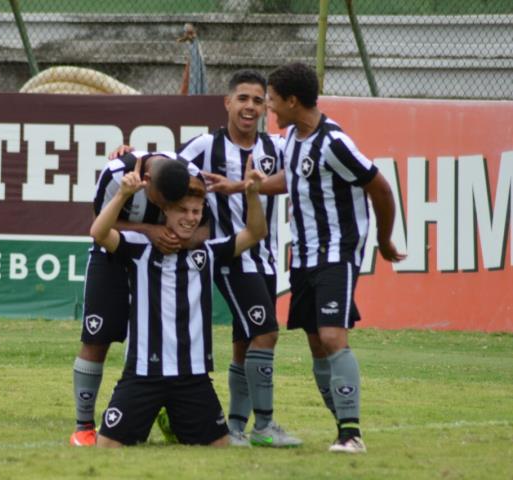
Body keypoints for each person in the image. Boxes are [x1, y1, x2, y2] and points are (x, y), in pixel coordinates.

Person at [263, 62, 406, 453]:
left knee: (331, 336)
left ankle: (351, 434)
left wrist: (384, 239)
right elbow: (292, 179)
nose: (269, 109)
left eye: (273, 102)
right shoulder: (293, 137)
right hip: (304, 257)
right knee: (315, 343)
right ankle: (341, 426)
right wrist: (246, 185)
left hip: (336, 254)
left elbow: (380, 188)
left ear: (293, 101)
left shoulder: (334, 143)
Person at [92, 156, 268, 447]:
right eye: (182, 210)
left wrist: (251, 193)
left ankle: (173, 416)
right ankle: (156, 414)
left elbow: (255, 233)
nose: (190, 217)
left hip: (193, 377)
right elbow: (98, 233)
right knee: (106, 447)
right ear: (165, 211)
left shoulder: (208, 253)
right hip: (143, 375)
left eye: (196, 211)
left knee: (219, 450)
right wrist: (123, 193)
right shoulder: (139, 249)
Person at [176, 70, 301, 447]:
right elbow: (164, 171)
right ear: (227, 103)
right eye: (243, 99)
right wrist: (128, 154)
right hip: (232, 259)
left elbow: (301, 175)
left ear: (266, 108)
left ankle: (233, 427)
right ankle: (263, 426)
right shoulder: (203, 147)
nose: (250, 107)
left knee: (246, 342)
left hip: (265, 259)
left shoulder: (276, 149)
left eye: (258, 100)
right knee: (266, 333)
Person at [70, 151, 204, 446]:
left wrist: (178, 239)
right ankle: (84, 425)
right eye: (162, 201)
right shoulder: (116, 173)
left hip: (162, 262)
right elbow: (98, 224)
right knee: (96, 337)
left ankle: (167, 412)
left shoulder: (191, 173)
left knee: (166, 342)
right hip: (112, 255)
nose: (166, 207)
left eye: (174, 202)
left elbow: (205, 227)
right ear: (146, 181)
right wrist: (149, 230)